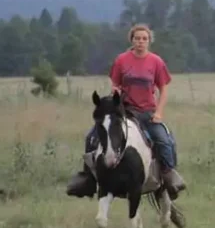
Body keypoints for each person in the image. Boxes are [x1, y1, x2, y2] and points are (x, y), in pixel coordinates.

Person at [65, 24, 186, 199]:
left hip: (147, 112)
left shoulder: (156, 62)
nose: (141, 42)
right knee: (92, 137)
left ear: (149, 41)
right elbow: (115, 84)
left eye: (144, 39)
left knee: (164, 140)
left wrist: (158, 113)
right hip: (124, 110)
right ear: (132, 40)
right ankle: (88, 178)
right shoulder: (121, 60)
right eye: (137, 38)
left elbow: (163, 89)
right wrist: (116, 93)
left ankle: (169, 175)